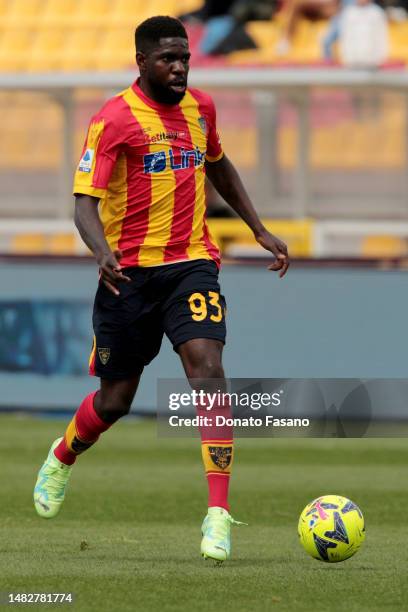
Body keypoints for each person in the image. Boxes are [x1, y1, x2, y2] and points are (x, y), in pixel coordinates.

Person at [33, 16, 290, 563]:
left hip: (192, 265)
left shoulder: (202, 109)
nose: (178, 67)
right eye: (167, 59)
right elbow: (84, 201)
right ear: (142, 62)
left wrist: (258, 227)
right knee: (116, 399)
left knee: (208, 368)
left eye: (185, 58)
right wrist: (102, 252)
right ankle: (62, 455)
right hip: (127, 274)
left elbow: (218, 165)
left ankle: (217, 514)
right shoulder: (114, 120)